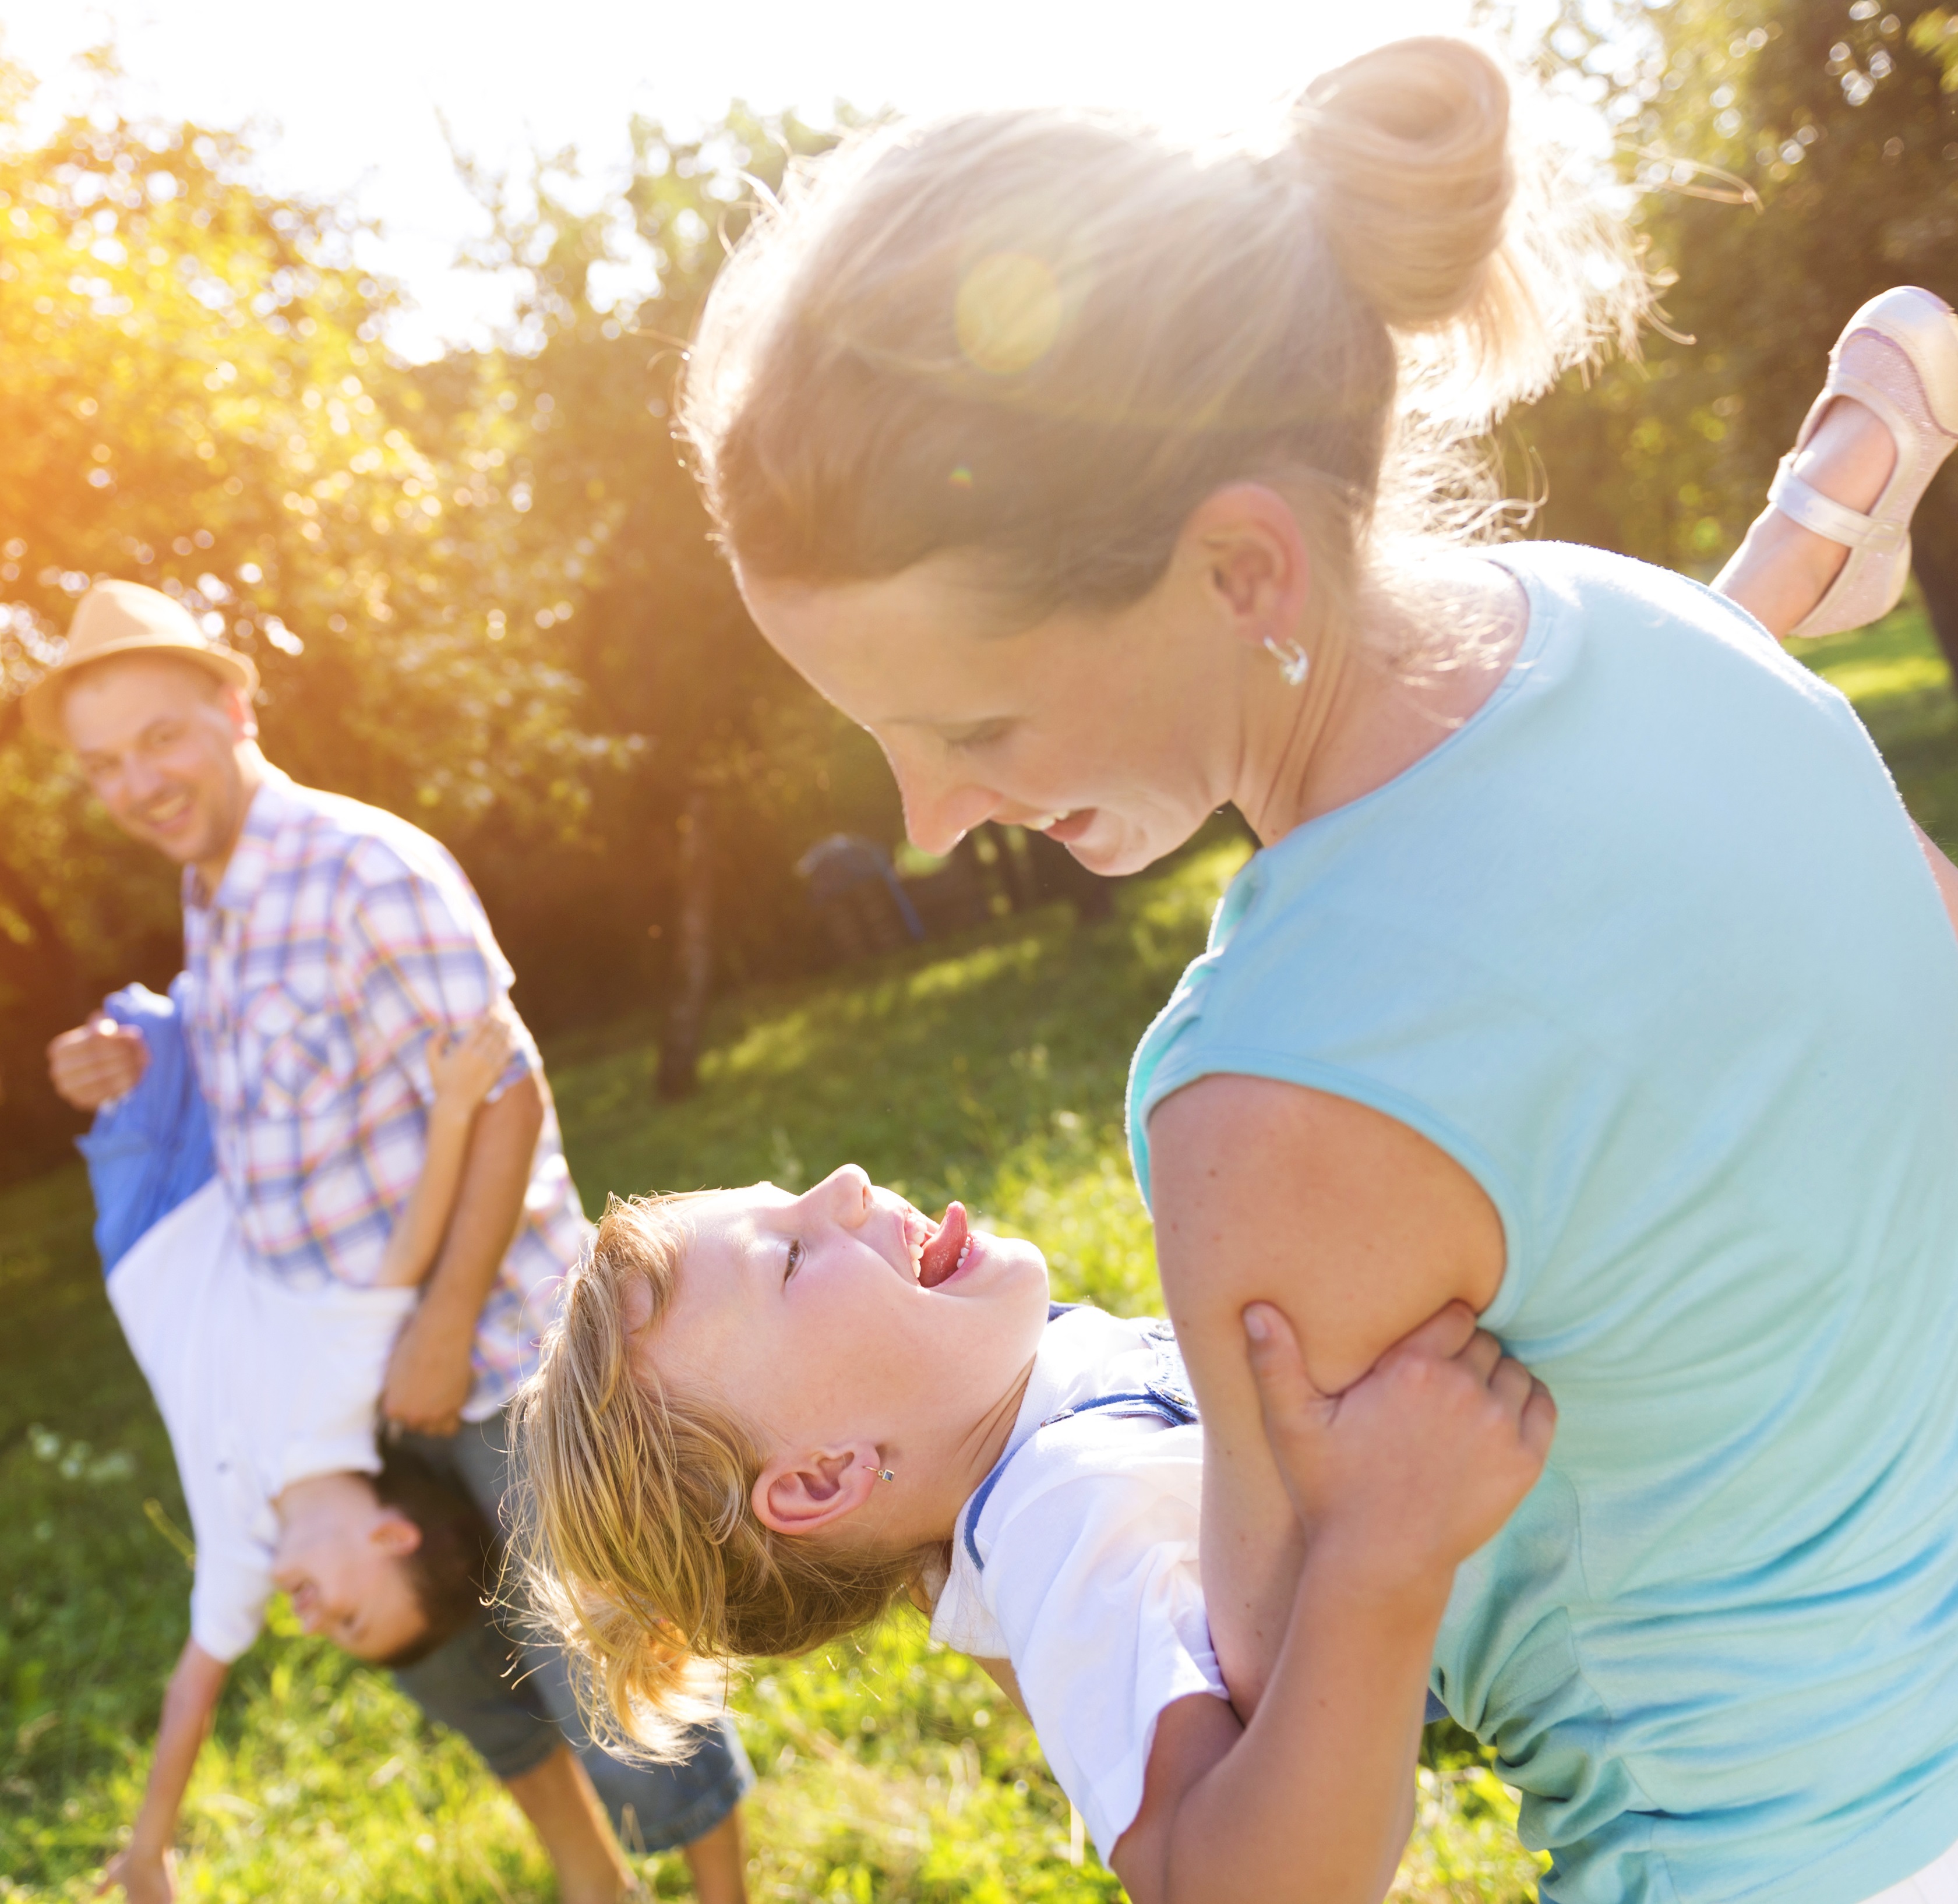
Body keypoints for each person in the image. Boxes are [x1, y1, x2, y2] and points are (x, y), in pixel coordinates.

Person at [671, 33, 1958, 1904]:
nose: (932, 815)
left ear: (1245, 572)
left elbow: (1285, 1751)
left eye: (974, 717)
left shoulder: (1263, 1099)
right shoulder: (1662, 633)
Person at [30, 581, 752, 1904]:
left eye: (163, 739)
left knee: (614, 1659)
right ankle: (599, 1890)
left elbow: (510, 1086)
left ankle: (719, 1895)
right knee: (458, 1672)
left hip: (496, 1362)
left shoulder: (366, 866)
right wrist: (137, 1056)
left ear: (237, 709)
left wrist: (436, 1320)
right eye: (104, 765)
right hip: (356, 1393)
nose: (139, 782)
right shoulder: (214, 896)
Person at [510, 1168, 1554, 1904]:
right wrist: (1382, 1559)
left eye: (788, 1192)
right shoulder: (1054, 1521)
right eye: (788, 1256)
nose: (843, 1182)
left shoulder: (1010, 1407)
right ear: (826, 1475)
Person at [93, 1005, 513, 1903]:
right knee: (203, 998)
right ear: (394, 1539)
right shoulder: (351, 1392)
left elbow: (189, 1698)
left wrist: (147, 1851)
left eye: (336, 1636)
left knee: (128, 1043)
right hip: (225, 1172)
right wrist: (452, 1109)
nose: (316, 1625)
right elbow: (407, 1251)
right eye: (353, 1620)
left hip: (135, 1225)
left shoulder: (244, 1551)